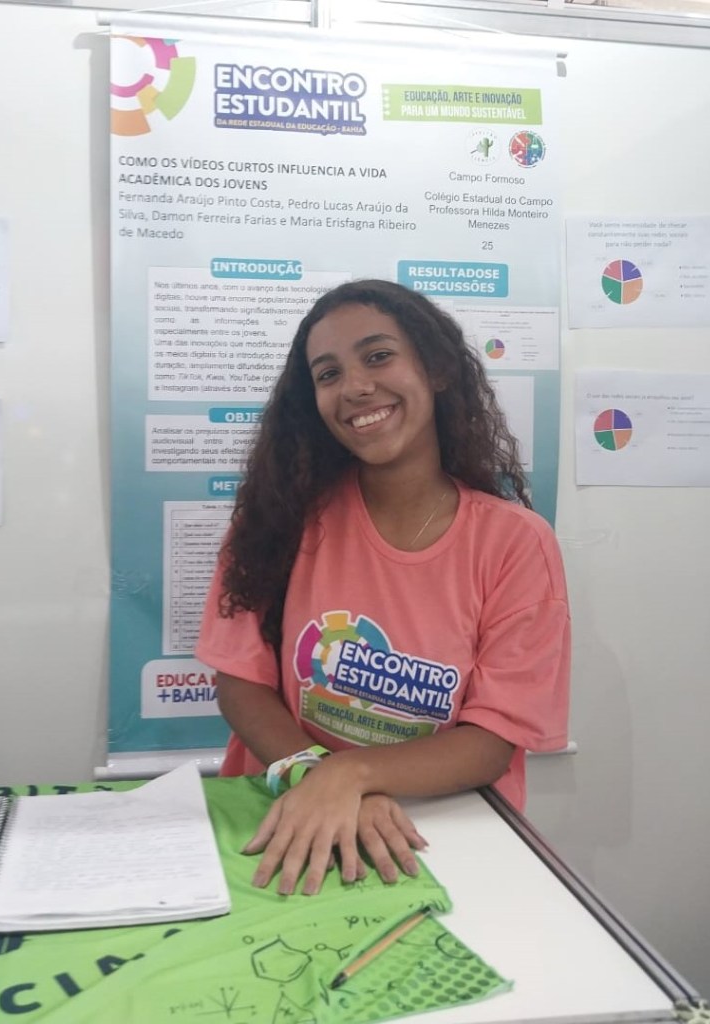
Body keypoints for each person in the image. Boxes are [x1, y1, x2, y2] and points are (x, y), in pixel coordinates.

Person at [195, 279, 570, 898]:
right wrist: (317, 775)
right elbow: (240, 682)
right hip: (283, 815)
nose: (355, 387)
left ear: (437, 369)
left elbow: (492, 742)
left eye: (378, 356)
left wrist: (352, 776)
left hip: (439, 836)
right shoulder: (278, 520)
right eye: (328, 374)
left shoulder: (516, 543)